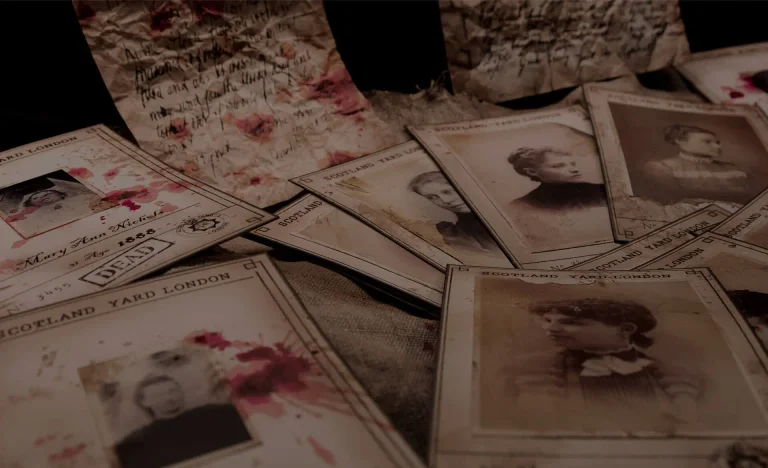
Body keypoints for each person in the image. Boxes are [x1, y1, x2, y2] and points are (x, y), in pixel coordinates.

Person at [507, 298, 704, 428]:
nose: (550, 329)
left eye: (570, 322)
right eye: (547, 320)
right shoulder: (531, 371)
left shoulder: (677, 375)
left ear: (625, 329)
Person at [114, 375, 252, 468]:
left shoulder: (222, 413)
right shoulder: (135, 443)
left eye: (173, 391)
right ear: (144, 402)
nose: (169, 397)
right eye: (158, 395)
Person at [505, 146, 612, 250]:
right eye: (559, 166)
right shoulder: (523, 205)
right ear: (532, 172)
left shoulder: (604, 191)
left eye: (573, 164)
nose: (574, 169)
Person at [642, 124, 752, 205]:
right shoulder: (662, 167)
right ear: (681, 141)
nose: (717, 146)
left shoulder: (733, 169)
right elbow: (670, 199)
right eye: (707, 142)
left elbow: (748, 197)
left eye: (717, 142)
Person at [408, 171, 501, 254]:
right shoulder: (460, 233)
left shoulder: (503, 211)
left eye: (447, 192)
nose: (446, 200)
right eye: (432, 197)